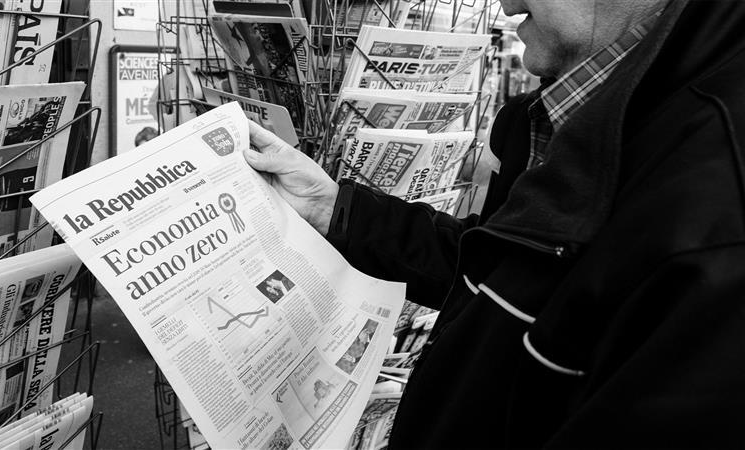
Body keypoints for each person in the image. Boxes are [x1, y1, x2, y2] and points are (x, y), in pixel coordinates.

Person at [245, 0, 745, 447]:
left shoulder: (716, 194)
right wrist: (333, 206)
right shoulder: (570, 114)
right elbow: (505, 275)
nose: (505, 6)